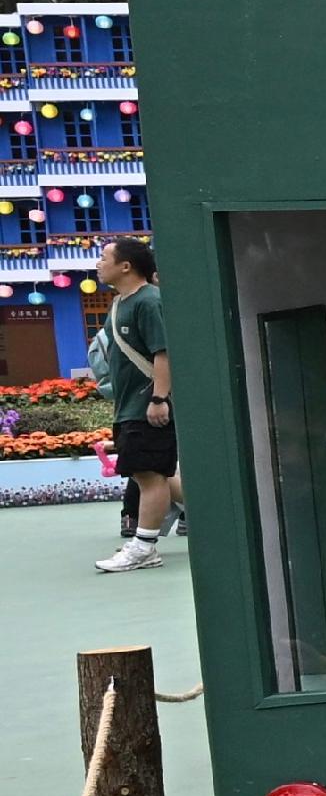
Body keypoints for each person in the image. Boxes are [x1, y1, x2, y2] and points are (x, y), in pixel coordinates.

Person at [93, 234, 179, 574]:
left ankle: (144, 546)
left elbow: (163, 353)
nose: (98, 264)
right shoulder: (121, 303)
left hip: (148, 405)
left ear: (125, 266)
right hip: (129, 405)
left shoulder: (148, 301)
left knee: (148, 474)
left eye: (104, 257)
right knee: (155, 474)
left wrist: (159, 398)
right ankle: (222, 519)